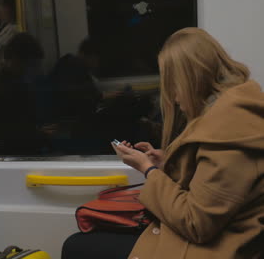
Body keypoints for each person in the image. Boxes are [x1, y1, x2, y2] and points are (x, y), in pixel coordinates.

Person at [112, 27, 264, 258]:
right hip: (215, 237)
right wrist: (167, 163)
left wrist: (149, 170)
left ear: (193, 79)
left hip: (213, 247)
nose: (173, 97)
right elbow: (213, 183)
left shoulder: (230, 133)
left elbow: (196, 223)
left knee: (79, 245)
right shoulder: (228, 118)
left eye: (174, 85)